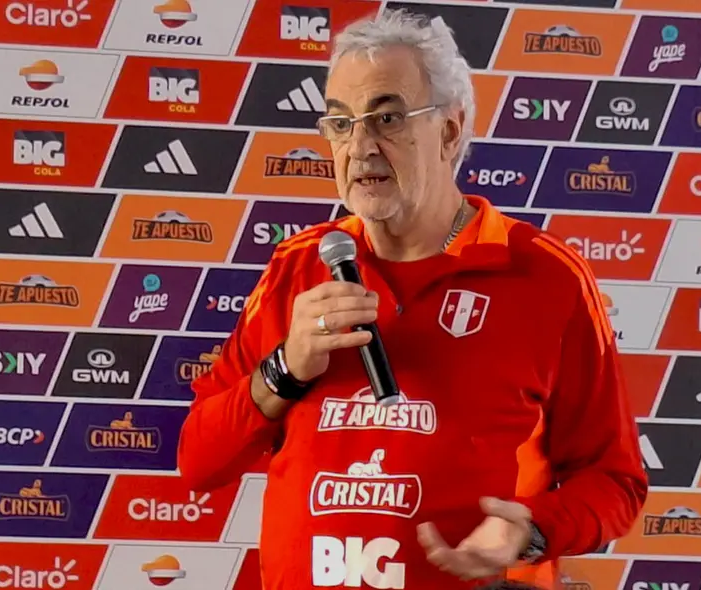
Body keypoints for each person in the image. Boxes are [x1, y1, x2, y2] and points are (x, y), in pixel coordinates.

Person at [176, 9, 647, 590]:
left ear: (450, 131)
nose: (360, 146)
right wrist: (285, 368)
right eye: (341, 123)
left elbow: (614, 480)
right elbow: (199, 462)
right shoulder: (298, 268)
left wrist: (529, 531)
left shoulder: (547, 277)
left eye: (388, 118)